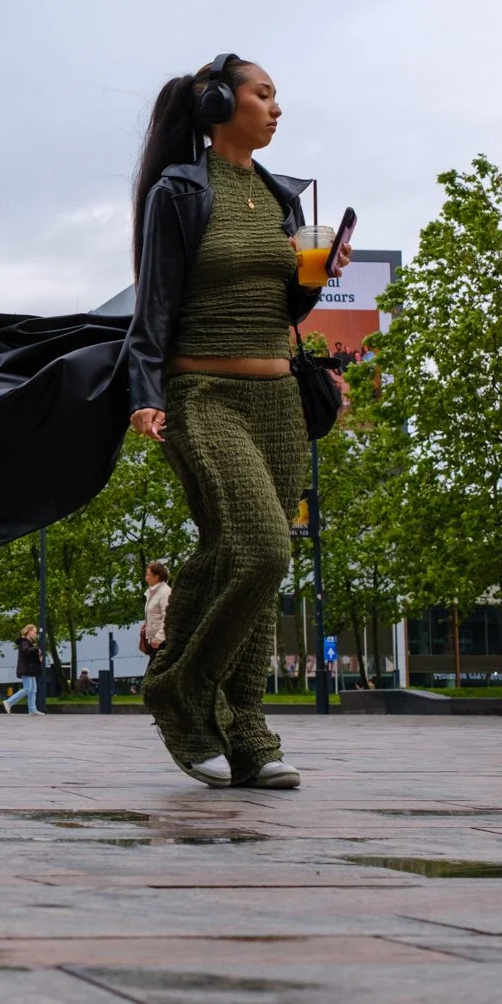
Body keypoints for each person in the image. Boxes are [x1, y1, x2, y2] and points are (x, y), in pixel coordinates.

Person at [125, 57, 345, 791]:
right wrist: (145, 393)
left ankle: (247, 728)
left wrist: (316, 276)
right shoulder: (181, 192)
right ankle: (179, 690)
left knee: (245, 557)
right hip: (203, 395)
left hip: (278, 402)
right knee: (260, 549)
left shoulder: (279, 198)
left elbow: (284, 308)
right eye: (264, 94)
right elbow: (153, 303)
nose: (277, 108)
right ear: (220, 103)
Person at [2, 625, 45, 715]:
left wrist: (39, 657)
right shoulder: (24, 642)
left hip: (30, 670)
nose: (36, 634)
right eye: (35, 632)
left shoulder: (29, 643)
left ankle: (32, 710)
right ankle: (9, 702)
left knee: (33, 690)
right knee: (27, 689)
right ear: (29, 631)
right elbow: (26, 651)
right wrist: (37, 648)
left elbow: (30, 656)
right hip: (26, 669)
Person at [141, 561, 171, 656]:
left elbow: (167, 617)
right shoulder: (152, 592)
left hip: (161, 642)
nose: (146, 578)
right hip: (154, 642)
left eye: (148, 575)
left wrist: (158, 638)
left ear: (156, 577)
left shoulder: (165, 593)